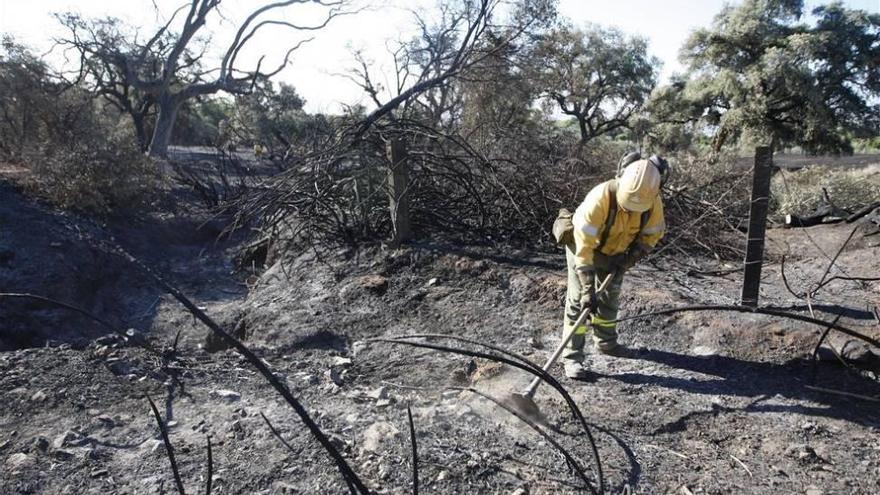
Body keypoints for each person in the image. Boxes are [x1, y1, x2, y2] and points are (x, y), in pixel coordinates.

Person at [557, 154, 668, 379]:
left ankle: (606, 343)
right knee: (580, 303)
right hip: (583, 249)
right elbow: (584, 249)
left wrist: (628, 261)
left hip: (616, 253)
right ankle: (572, 357)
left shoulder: (652, 202)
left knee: (609, 300)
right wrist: (588, 288)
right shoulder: (600, 198)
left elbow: (650, 237)